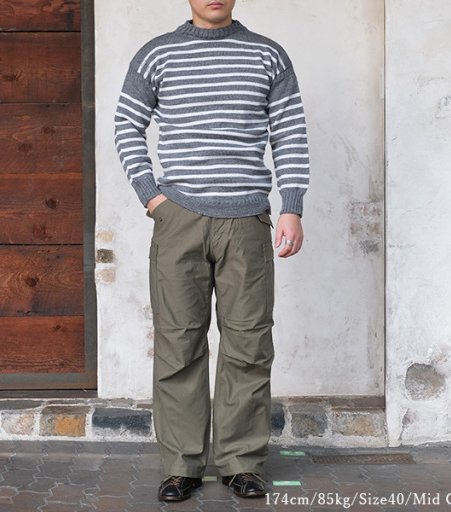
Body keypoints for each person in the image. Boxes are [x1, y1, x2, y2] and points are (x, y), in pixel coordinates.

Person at [114, 0, 309, 502]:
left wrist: (291, 206)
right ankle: (181, 465)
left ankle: (240, 463)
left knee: (249, 343)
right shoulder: (158, 54)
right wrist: (152, 198)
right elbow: (126, 125)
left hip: (247, 219)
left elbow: (289, 131)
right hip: (178, 217)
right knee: (179, 343)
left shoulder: (267, 55)